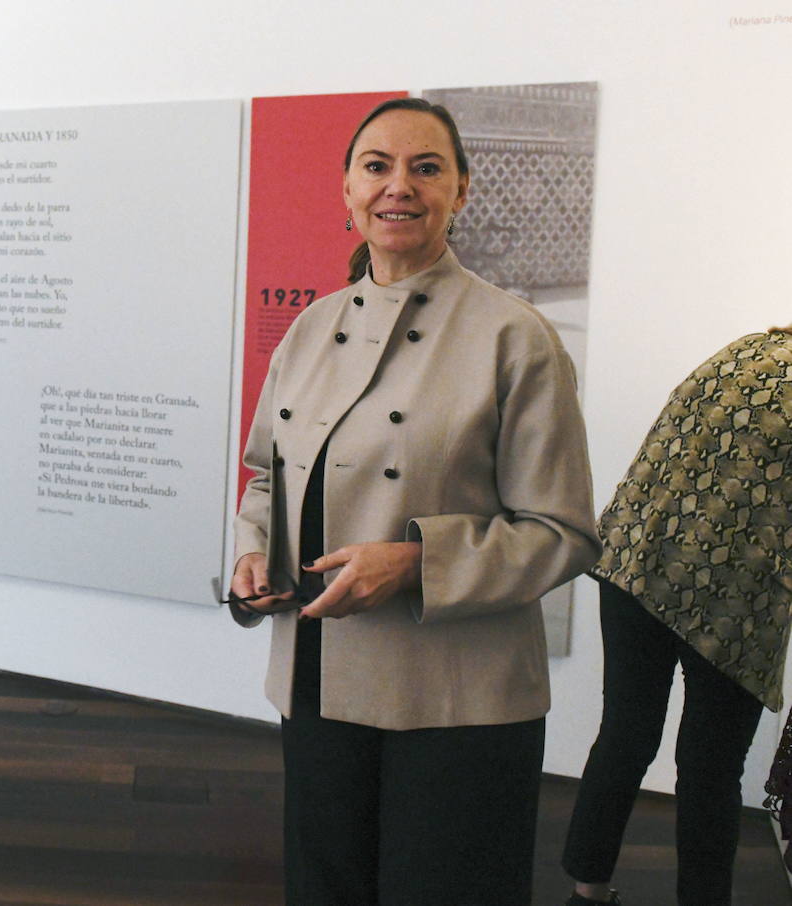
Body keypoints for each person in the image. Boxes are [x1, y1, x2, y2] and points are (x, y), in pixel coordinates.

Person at [227, 97, 599, 905]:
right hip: (318, 680)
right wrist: (253, 549)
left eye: (426, 168)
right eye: (378, 166)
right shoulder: (311, 328)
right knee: (327, 887)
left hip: (457, 699)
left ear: (461, 190)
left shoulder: (515, 336)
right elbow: (265, 476)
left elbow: (563, 532)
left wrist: (417, 561)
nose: (400, 186)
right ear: (347, 192)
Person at [563, 328, 792, 906]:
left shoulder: (745, 351)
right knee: (710, 767)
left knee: (624, 734)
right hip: (734, 593)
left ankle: (586, 891)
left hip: (637, 561)